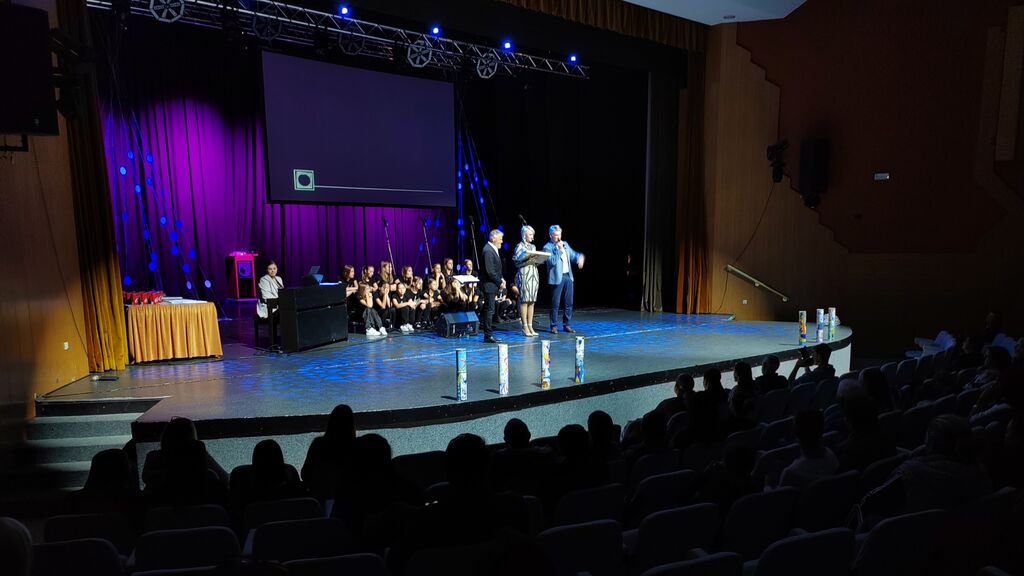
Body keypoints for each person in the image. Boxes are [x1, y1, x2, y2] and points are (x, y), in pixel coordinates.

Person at [778, 409, 838, 490]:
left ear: (795, 434)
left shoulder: (790, 473)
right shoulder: (832, 457)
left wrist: (767, 485)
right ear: (821, 430)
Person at [543, 224, 585, 334]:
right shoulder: (547, 247)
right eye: (556, 235)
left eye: (560, 235)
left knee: (569, 302)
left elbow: (572, 255)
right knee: (555, 304)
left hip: (568, 276)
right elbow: (552, 261)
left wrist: (579, 257)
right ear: (551, 235)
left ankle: (567, 325)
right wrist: (560, 250)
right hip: (557, 278)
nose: (559, 237)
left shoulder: (565, 244)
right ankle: (554, 326)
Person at [513, 225, 541, 337]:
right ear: (524, 235)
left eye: (533, 235)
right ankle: (524, 326)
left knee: (532, 301)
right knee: (524, 300)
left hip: (533, 274)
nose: (532, 237)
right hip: (524, 274)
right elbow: (516, 261)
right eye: (530, 234)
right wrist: (526, 259)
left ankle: (530, 325)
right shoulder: (519, 246)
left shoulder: (533, 246)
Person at [479, 229, 504, 343]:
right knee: (489, 310)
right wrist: (499, 282)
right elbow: (490, 271)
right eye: (500, 239)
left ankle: (489, 334)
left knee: (491, 309)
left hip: (492, 284)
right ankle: (488, 335)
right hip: (489, 285)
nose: (501, 241)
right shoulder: (488, 250)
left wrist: (501, 279)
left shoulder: (492, 249)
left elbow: (496, 268)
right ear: (493, 238)